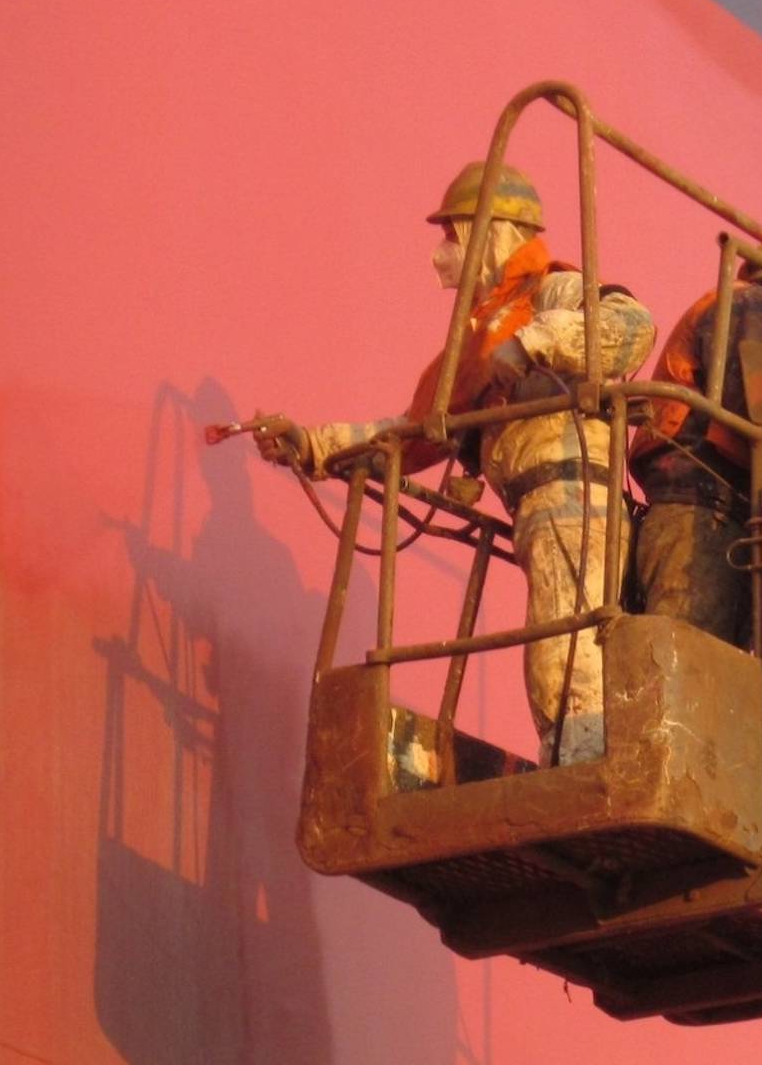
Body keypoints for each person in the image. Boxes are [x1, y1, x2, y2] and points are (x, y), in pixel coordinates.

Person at [255, 162, 655, 765]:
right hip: (539, 507)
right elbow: (414, 433)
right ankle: (579, 767)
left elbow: (632, 327)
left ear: (490, 232)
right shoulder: (475, 343)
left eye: (451, 236)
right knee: (564, 648)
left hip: (575, 498)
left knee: (564, 654)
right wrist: (313, 445)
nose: (440, 257)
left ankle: (584, 777)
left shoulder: (552, 291)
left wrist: (537, 343)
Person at [630, 237, 762, 645]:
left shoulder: (745, 305)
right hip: (702, 502)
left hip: (714, 504)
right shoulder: (759, 307)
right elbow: (754, 401)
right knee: (687, 649)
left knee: (709, 663)